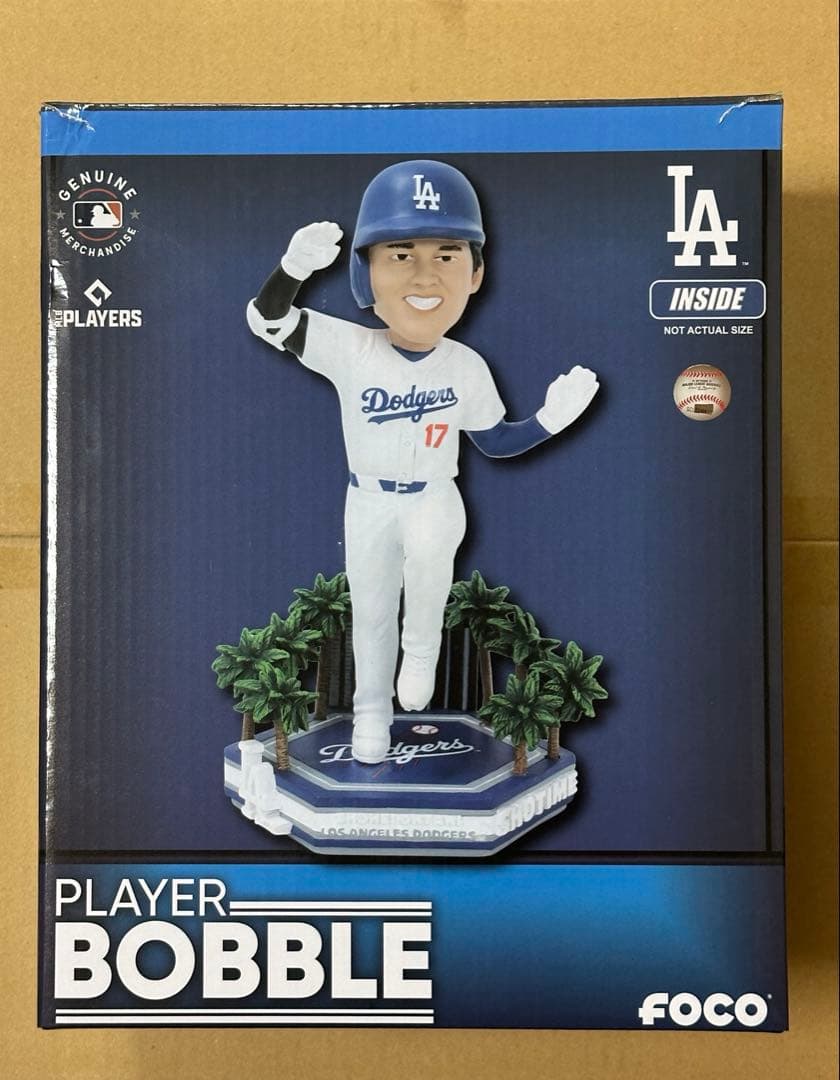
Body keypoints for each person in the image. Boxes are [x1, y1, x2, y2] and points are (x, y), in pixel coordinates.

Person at [247, 159, 599, 764]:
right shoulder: (352, 347)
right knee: (371, 610)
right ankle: (371, 715)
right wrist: (292, 269)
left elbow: (495, 442)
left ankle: (421, 655)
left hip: (435, 493)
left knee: (432, 567)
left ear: (476, 273)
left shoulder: (466, 365)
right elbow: (268, 319)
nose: (425, 274)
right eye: (401, 253)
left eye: (447, 254)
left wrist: (548, 421)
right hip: (368, 499)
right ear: (366, 274)